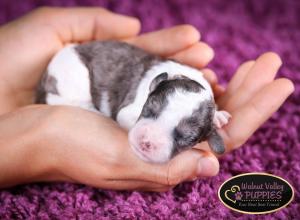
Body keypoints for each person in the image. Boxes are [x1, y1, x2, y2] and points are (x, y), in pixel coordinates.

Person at [0, 7, 294, 191]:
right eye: (150, 112)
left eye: (179, 137)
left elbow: (189, 111)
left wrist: (210, 118)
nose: (148, 139)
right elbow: (128, 115)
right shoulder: (154, 84)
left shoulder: (195, 101)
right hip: (75, 72)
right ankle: (59, 100)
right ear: (153, 89)